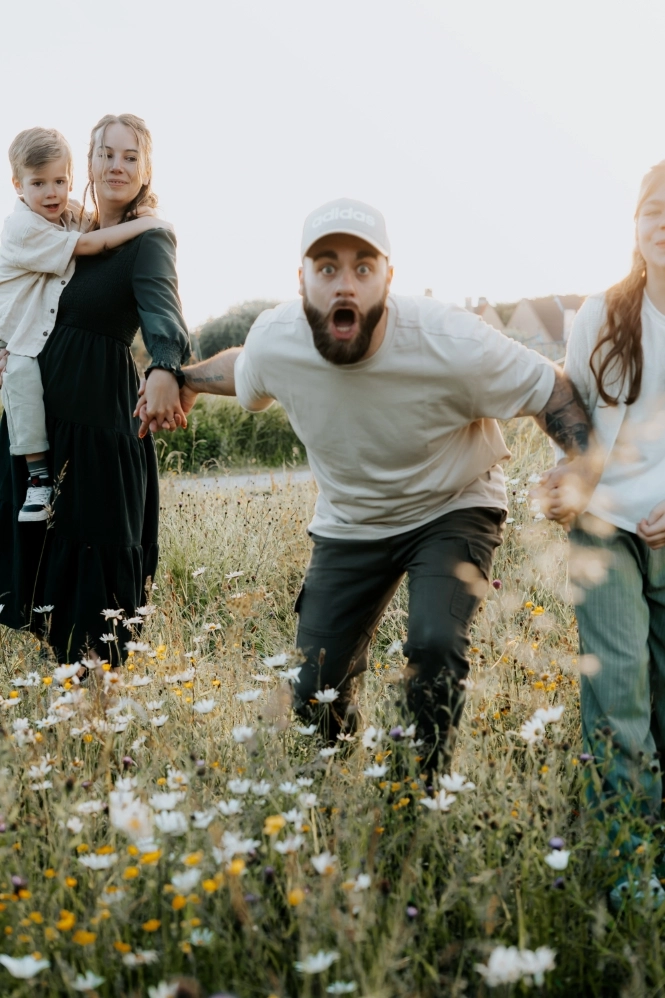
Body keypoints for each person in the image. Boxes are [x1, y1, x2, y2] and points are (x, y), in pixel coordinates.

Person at [167, 197, 593, 773]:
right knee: (315, 687)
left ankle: (425, 784)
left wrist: (582, 464)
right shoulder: (277, 339)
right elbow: (244, 371)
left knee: (434, 645)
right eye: (327, 268)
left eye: (363, 268)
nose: (345, 285)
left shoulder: (451, 342)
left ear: (388, 277)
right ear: (301, 282)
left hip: (453, 505)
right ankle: (345, 772)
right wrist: (182, 378)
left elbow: (552, 390)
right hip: (351, 522)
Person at [0, 113, 190, 666]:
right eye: (106, 153)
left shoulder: (148, 239)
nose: (116, 165)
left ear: (146, 168)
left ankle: (98, 711)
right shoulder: (59, 226)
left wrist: (164, 366)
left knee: (92, 589)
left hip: (99, 424)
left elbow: (163, 313)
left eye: (130, 156)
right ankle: (61, 720)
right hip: (43, 420)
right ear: (87, 163)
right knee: (43, 570)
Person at [539, 161, 665, 905]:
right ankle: (632, 864)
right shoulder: (601, 315)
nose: (664, 218)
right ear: (634, 225)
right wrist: (571, 478)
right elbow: (573, 418)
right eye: (652, 206)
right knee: (618, 695)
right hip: (604, 527)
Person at [0, 126, 175, 523]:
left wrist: (166, 362)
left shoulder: (72, 218)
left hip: (96, 406)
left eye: (60, 182)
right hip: (21, 350)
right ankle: (38, 475)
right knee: (20, 378)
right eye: (39, 183)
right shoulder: (27, 226)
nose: (51, 192)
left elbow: (162, 310)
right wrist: (151, 223)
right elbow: (92, 244)